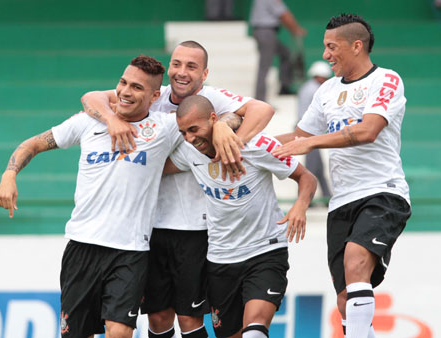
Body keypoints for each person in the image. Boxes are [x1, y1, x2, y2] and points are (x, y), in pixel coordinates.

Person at [80, 41, 275, 338]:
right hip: (150, 227)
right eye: (177, 64)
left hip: (194, 228)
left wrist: (230, 138)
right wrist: (110, 119)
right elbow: (91, 97)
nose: (182, 73)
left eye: (192, 66)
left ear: (205, 73)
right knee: (157, 317)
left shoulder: (213, 99)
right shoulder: (151, 95)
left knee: (188, 318)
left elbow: (262, 108)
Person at [0, 56, 184, 338]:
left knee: (119, 333)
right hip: (82, 247)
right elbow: (33, 144)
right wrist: (9, 175)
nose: (125, 91)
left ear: (155, 96)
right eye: (122, 83)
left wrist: (219, 126)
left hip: (130, 251)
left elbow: (217, 120)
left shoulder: (165, 128)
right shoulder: (88, 122)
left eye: (136, 87)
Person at [272, 14, 411, 338]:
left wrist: (311, 141)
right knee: (346, 297)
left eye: (331, 47)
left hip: (382, 192)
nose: (325, 55)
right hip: (342, 200)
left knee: (355, 260)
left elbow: (368, 131)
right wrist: (245, 145)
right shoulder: (327, 91)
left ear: (357, 46)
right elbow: (298, 137)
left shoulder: (386, 80)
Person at [164, 95, 317, 338]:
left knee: (254, 330)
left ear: (214, 119)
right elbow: (152, 170)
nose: (190, 139)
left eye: (194, 129)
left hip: (264, 251)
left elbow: (307, 177)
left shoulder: (257, 144)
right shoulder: (188, 152)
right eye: (183, 133)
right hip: (220, 258)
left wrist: (300, 205)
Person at [249, 0, 306, 101]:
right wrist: (296, 29)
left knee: (286, 54)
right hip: (266, 31)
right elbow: (284, 15)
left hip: (263, 31)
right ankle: (260, 99)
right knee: (265, 66)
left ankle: (285, 86)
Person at [296, 60, 333, 204]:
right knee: (311, 168)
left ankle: (326, 196)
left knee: (317, 166)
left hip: (307, 130)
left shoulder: (307, 87)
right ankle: (306, 199)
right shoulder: (315, 90)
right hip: (309, 132)